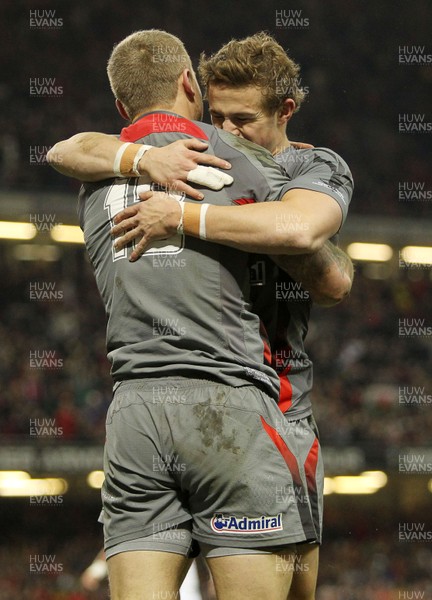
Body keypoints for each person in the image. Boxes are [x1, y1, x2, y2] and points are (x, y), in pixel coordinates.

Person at [50, 32, 353, 600]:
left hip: (173, 407)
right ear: (191, 87)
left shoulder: (306, 167)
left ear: (285, 111)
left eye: (241, 119)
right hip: (247, 406)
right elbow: (333, 277)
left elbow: (315, 251)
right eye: (217, 116)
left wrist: (182, 212)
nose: (227, 133)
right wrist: (163, 167)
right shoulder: (236, 165)